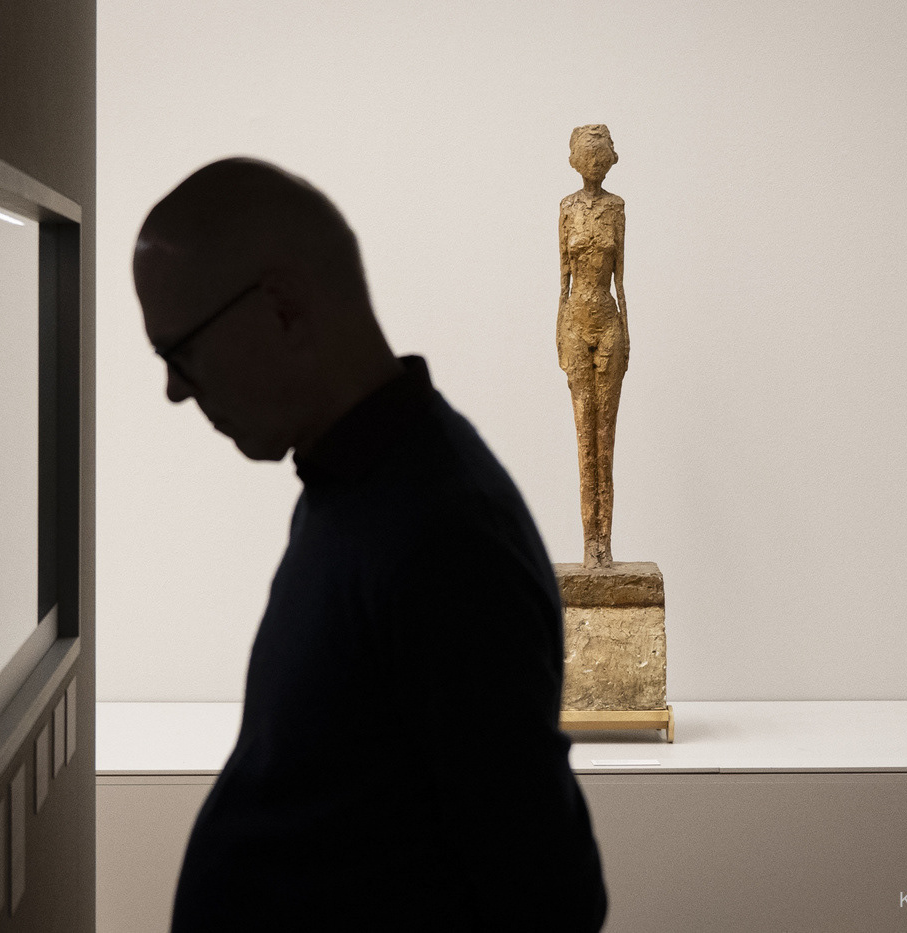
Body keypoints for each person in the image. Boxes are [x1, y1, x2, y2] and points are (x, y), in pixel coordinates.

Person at [132, 157, 607, 931]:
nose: (175, 390)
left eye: (178, 352)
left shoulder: (445, 536)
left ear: (283, 308)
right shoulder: (356, 485)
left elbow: (549, 896)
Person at [558, 124, 629, 569]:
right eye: (587, 152)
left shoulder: (617, 208)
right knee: (585, 438)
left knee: (606, 440)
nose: (594, 160)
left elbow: (622, 281)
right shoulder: (566, 208)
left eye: (600, 152)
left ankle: (605, 545)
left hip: (608, 324)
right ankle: (590, 546)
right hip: (575, 325)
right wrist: (559, 336)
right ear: (575, 159)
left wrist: (627, 338)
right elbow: (561, 281)